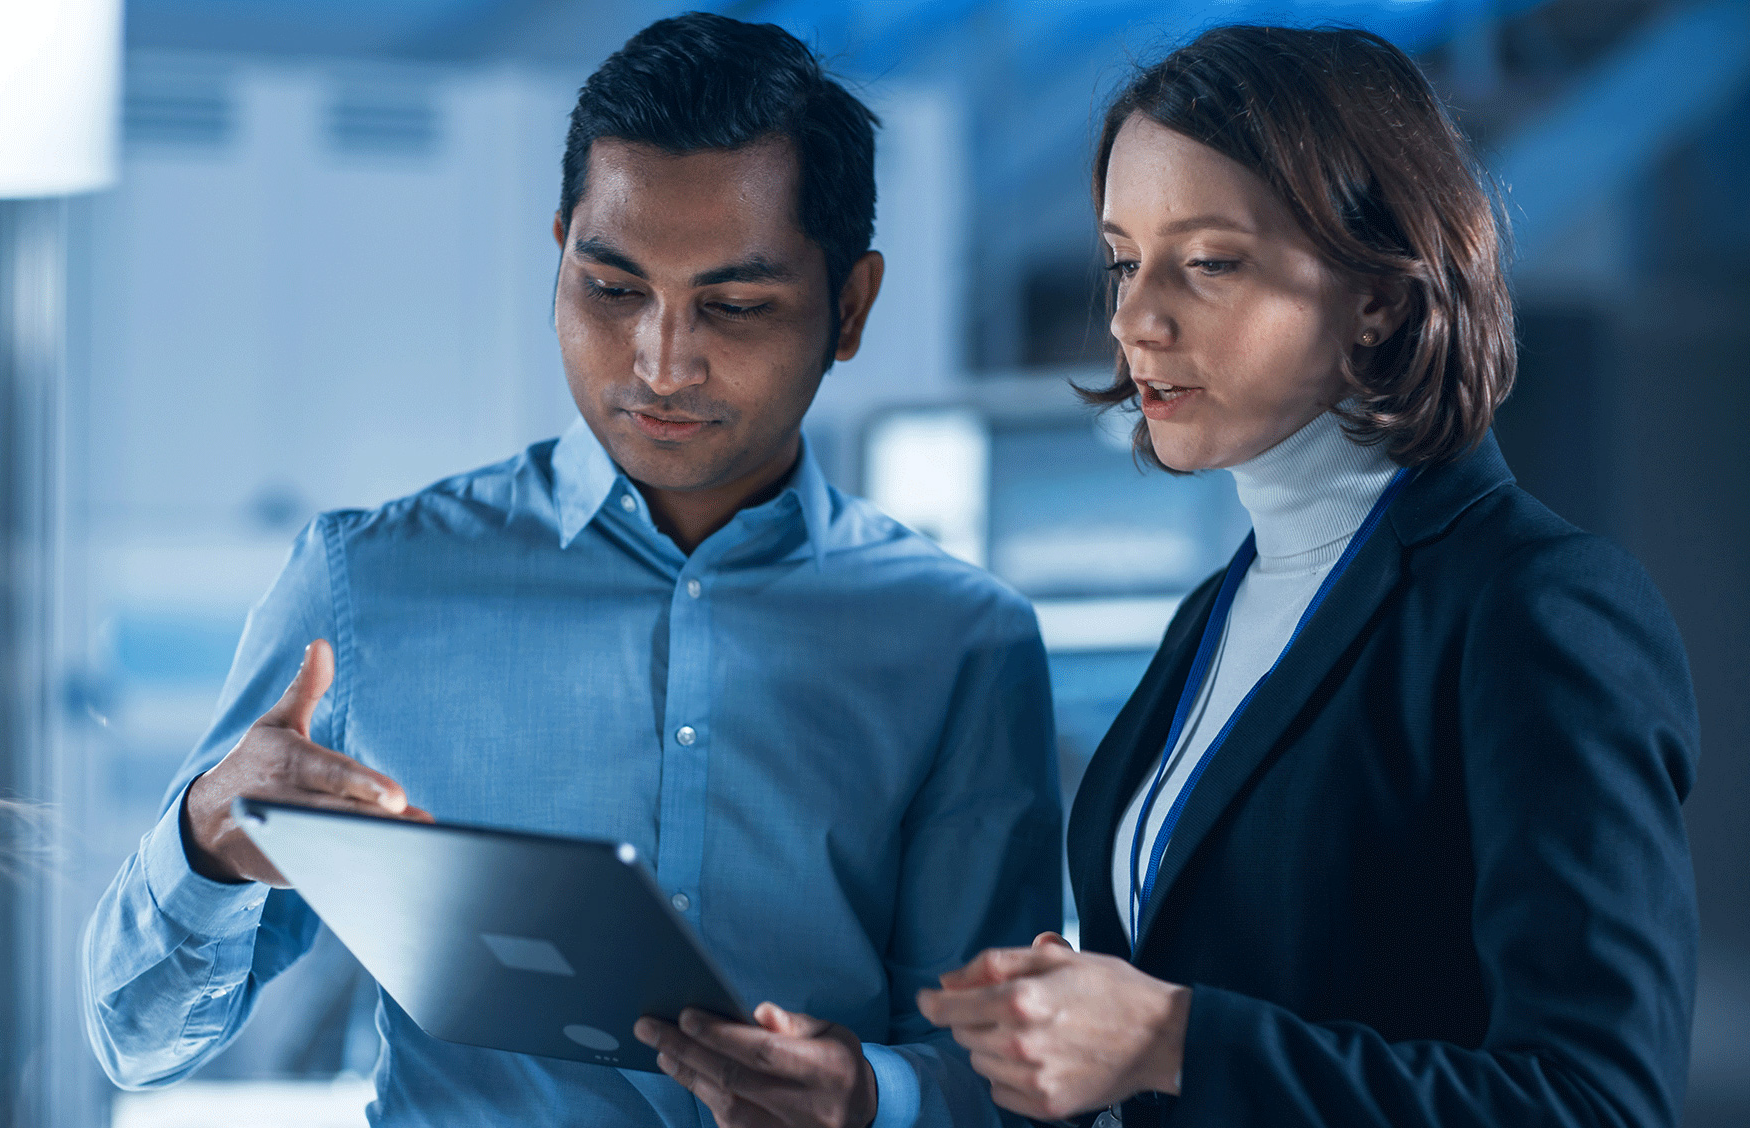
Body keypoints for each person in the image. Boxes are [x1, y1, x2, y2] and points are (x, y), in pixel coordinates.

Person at [82, 14, 1061, 1128]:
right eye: (610, 288)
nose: (661, 360)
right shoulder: (365, 586)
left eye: (734, 306)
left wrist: (870, 1097)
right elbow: (134, 1040)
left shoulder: (959, 643)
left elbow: (1010, 1083)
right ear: (559, 250)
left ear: (850, 307)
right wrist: (207, 842)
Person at [918, 25, 1699, 1128]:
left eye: (1208, 262)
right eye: (1121, 261)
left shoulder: (1537, 608)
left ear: (1378, 293)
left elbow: (1599, 1103)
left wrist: (1165, 1036)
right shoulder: (1218, 614)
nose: (1135, 318)